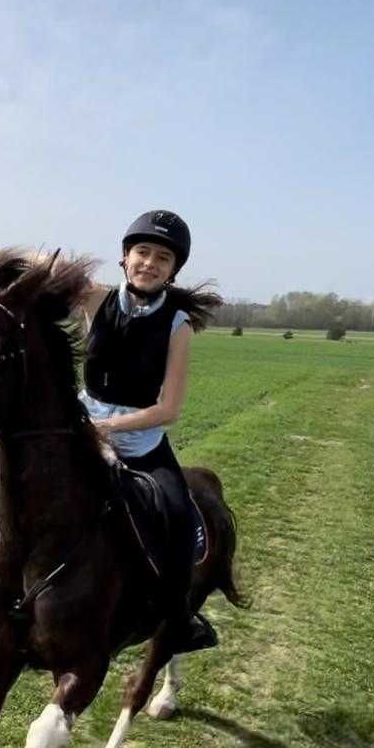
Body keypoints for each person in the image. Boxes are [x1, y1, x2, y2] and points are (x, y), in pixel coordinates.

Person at [79, 210, 223, 653]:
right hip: (83, 430)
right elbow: (45, 269)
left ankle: (179, 617)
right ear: (125, 257)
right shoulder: (93, 299)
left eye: (163, 257)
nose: (150, 262)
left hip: (141, 442)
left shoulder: (178, 326)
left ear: (173, 269)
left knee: (179, 516)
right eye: (142, 252)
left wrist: (109, 426)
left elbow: (169, 408)